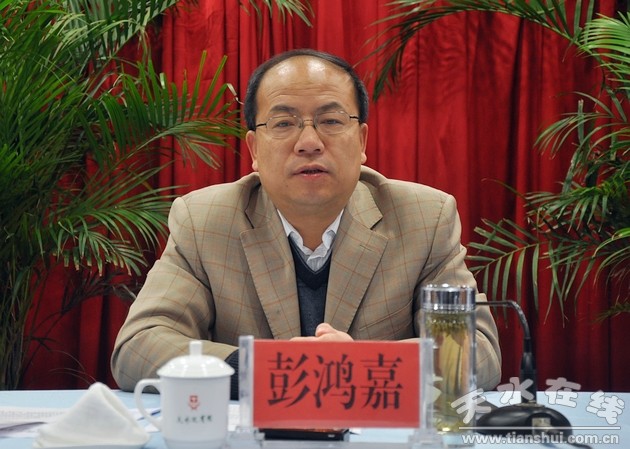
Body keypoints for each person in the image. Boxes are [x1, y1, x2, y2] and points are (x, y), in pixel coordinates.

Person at [111, 49, 502, 398]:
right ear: (253, 149)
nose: (309, 142)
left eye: (331, 120)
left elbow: (477, 353)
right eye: (284, 124)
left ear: (362, 141)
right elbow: (138, 347)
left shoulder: (424, 218)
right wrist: (264, 370)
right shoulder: (205, 221)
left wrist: (359, 367)